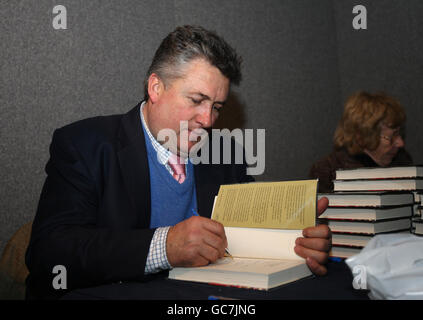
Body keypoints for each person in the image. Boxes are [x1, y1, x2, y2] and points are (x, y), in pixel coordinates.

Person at [26, 25, 331, 299]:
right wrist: (164, 247)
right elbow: (50, 253)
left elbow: (247, 235)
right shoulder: (85, 145)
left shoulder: (227, 154)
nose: (208, 119)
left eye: (217, 107)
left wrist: (296, 240)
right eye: (197, 100)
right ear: (156, 88)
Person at [309, 91, 413, 193]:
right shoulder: (326, 173)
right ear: (362, 137)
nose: (400, 143)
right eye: (391, 137)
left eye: (399, 134)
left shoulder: (402, 162)